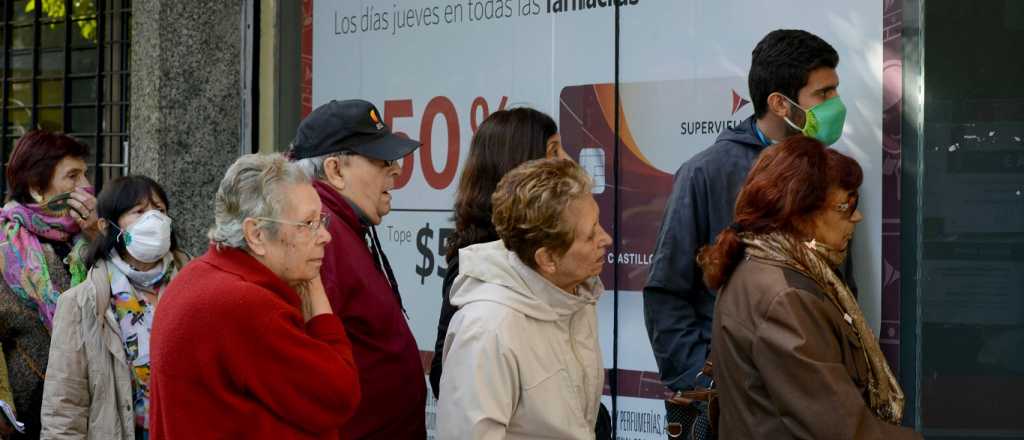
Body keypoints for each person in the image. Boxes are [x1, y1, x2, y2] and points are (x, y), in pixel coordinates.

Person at [643, 29, 855, 428]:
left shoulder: (830, 174)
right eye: (824, 93)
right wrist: (709, 382)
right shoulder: (705, 173)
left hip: (812, 396)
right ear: (779, 103)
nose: (836, 104)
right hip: (736, 408)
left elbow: (841, 286)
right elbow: (665, 294)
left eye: (835, 90)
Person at [698, 136, 920, 439]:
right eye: (846, 206)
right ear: (801, 215)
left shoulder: (763, 266)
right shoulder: (786, 297)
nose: (857, 217)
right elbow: (841, 430)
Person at [147, 154, 360, 439]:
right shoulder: (248, 305)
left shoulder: (193, 276)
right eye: (308, 224)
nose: (325, 236)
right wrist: (315, 287)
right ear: (256, 234)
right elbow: (339, 395)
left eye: (321, 220)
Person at [437, 158, 612, 439]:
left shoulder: (574, 296)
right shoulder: (487, 330)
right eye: (590, 234)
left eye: (599, 223)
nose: (606, 239)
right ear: (548, 258)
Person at [290, 99, 425, 439]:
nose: (396, 169)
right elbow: (310, 368)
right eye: (382, 160)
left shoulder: (341, 226)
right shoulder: (322, 235)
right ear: (335, 170)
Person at [428, 107, 568, 398]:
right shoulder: (478, 263)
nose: (567, 161)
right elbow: (448, 376)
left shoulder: (542, 247)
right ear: (520, 165)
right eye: (553, 151)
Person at [40, 176, 190, 439]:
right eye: (139, 212)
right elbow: (64, 405)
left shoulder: (196, 287)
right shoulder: (81, 303)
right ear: (106, 225)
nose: (154, 219)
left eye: (160, 210)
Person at [0, 130, 98, 439]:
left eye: (85, 174)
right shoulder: (7, 246)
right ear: (37, 187)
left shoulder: (89, 236)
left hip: (94, 404)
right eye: (72, 176)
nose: (85, 185)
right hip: (29, 414)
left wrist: (98, 236)